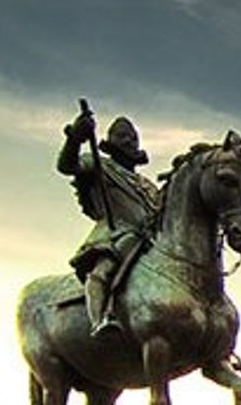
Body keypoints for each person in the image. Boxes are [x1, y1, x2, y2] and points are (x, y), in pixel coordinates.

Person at [56, 106, 161, 337]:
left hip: (149, 243)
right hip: (116, 235)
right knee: (103, 271)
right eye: (123, 137)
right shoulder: (99, 165)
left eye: (133, 137)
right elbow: (67, 166)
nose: (130, 142)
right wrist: (75, 137)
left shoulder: (148, 186)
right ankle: (99, 318)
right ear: (111, 141)